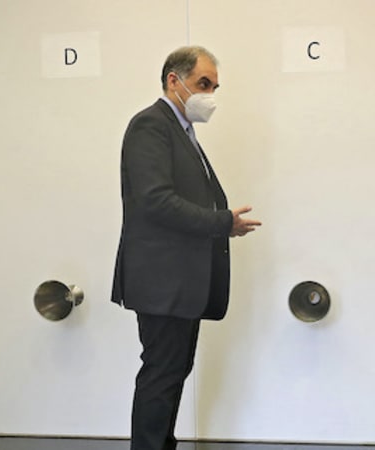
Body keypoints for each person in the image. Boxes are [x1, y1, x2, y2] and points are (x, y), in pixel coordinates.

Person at [111, 46, 261, 450]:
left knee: (173, 370)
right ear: (173, 81)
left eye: (214, 86)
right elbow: (154, 200)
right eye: (203, 84)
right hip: (161, 281)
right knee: (162, 373)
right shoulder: (150, 125)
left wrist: (221, 223)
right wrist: (221, 222)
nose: (209, 94)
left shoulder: (179, 130)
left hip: (178, 282)